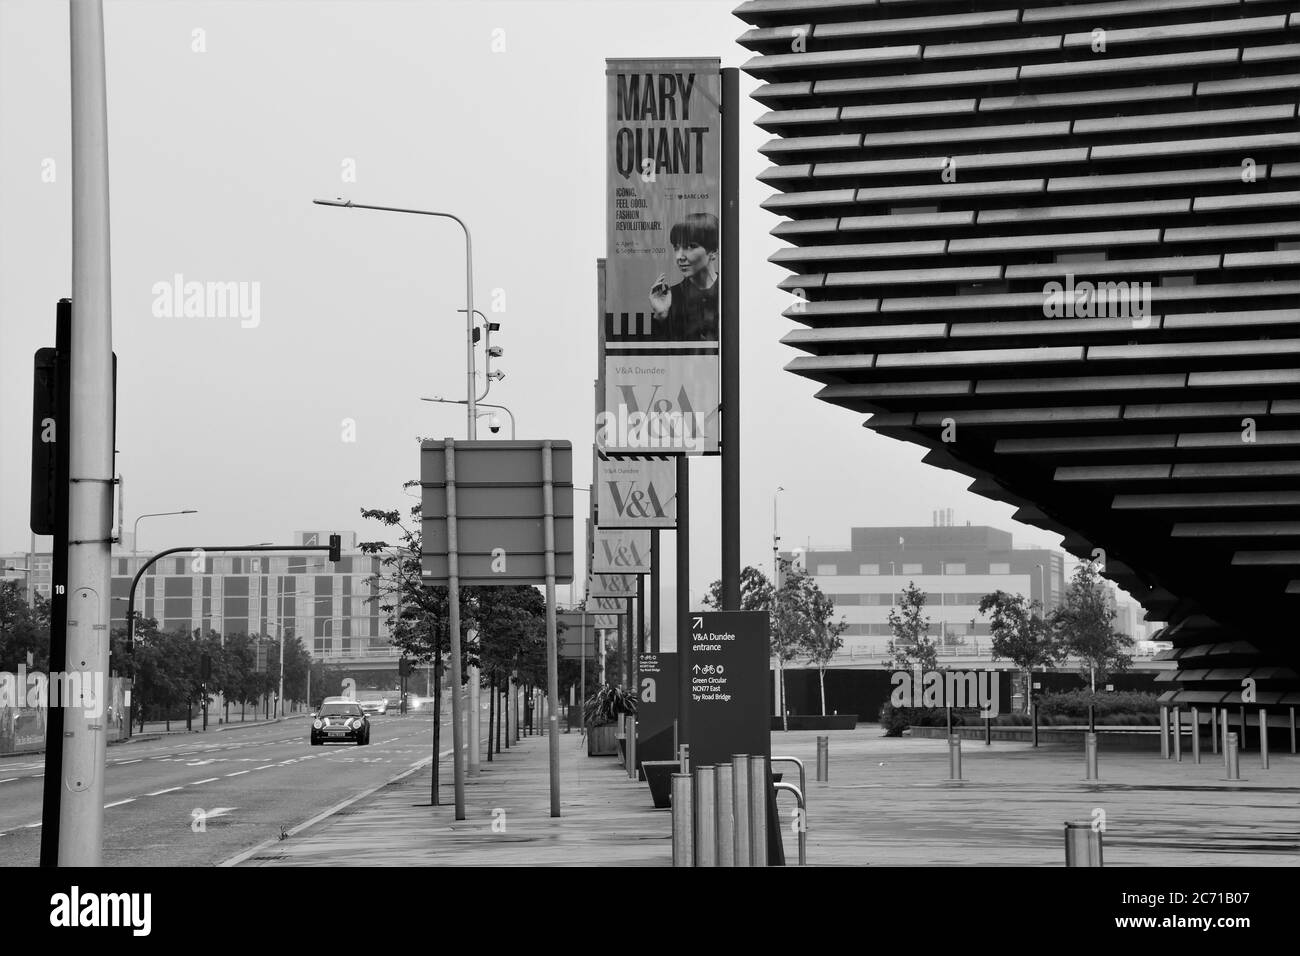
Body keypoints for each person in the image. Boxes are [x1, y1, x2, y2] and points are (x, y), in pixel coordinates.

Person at [646, 212, 719, 342]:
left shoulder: (731, 293)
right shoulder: (668, 298)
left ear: (713, 252)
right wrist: (661, 316)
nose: (679, 257)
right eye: (676, 247)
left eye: (690, 246)